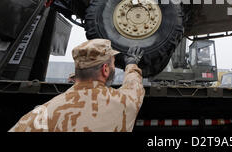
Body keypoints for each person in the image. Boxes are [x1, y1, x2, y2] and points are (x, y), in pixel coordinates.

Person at [8, 39, 145, 132]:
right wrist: (131, 64)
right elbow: (134, 86)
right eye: (113, 63)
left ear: (77, 71)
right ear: (105, 69)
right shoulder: (124, 102)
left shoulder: (43, 112)